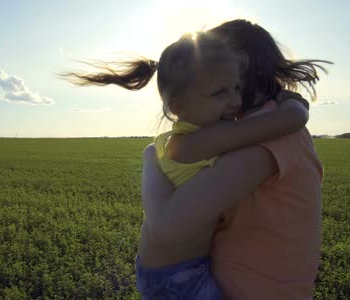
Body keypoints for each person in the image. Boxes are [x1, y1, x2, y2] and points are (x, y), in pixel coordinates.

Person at [63, 30, 313, 299]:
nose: (235, 101)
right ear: (179, 105)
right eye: (220, 92)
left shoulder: (210, 133)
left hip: (183, 270)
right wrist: (294, 106)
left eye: (236, 87)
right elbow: (290, 121)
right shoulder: (194, 142)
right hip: (175, 277)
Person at [141, 19, 330, 299]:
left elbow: (169, 227)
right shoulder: (260, 126)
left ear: (240, 68)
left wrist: (149, 160)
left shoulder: (269, 133)